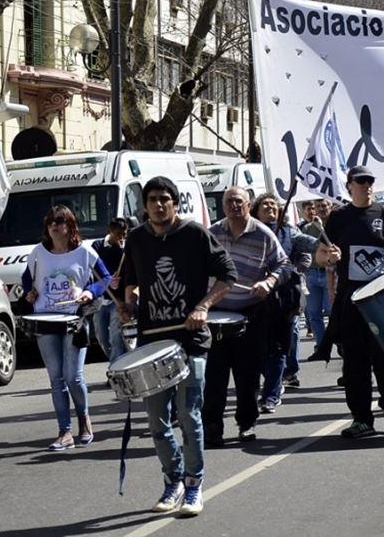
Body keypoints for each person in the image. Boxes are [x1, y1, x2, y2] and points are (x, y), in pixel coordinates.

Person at [118, 176, 237, 516]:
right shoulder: (137, 239)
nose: (159, 204)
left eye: (165, 199)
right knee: (157, 423)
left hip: (190, 342)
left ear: (175, 202)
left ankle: (194, 486)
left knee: (189, 416)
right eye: (153, 199)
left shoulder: (195, 235)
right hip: (152, 343)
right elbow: (130, 281)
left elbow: (228, 275)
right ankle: (173, 480)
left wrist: (203, 307)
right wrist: (126, 304)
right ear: (144, 205)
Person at [323, 165, 384, 438]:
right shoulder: (338, 217)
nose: (367, 185)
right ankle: (361, 418)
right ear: (350, 185)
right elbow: (321, 255)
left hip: (382, 300)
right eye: (361, 181)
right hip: (351, 302)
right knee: (354, 363)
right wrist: (329, 258)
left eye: (370, 181)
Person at [205, 187, 293, 445]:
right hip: (216, 314)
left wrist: (269, 281)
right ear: (223, 206)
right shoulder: (213, 234)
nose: (234, 206)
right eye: (229, 202)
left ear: (248, 205)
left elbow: (284, 264)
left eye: (239, 202)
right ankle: (212, 427)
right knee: (214, 376)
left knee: (247, 375)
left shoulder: (263, 234)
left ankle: (246, 423)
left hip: (251, 313)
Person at [21, 205, 110, 451]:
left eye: (60, 221)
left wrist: (89, 292)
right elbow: (27, 277)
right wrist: (29, 292)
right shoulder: (38, 252)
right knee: (56, 378)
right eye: (50, 222)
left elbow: (106, 279)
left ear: (70, 226)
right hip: (45, 319)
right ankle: (65, 432)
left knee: (73, 376)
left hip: (74, 320)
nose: (54, 225)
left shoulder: (84, 252)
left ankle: (84, 419)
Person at [252, 194, 317, 413]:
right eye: (265, 205)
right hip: (257, 299)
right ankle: (272, 380)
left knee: (280, 347)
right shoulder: (251, 232)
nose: (270, 207)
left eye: (273, 205)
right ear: (256, 210)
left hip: (284, 298)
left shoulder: (290, 232)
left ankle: (271, 394)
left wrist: (293, 271)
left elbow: (310, 248)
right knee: (258, 348)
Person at [91, 217, 128, 363]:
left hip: (117, 301)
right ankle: (118, 361)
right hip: (100, 299)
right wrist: (107, 282)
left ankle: (115, 369)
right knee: (101, 337)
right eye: (118, 234)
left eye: (124, 234)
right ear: (110, 231)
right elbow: (93, 272)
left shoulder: (125, 250)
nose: (122, 237)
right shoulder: (97, 247)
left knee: (115, 337)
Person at [301, 199, 334, 353]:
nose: (320, 209)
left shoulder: (337, 225)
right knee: (314, 313)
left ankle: (339, 342)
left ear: (330, 207)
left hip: (332, 274)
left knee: (330, 310)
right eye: (317, 206)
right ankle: (322, 346)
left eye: (323, 206)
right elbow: (303, 249)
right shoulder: (308, 228)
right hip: (313, 274)